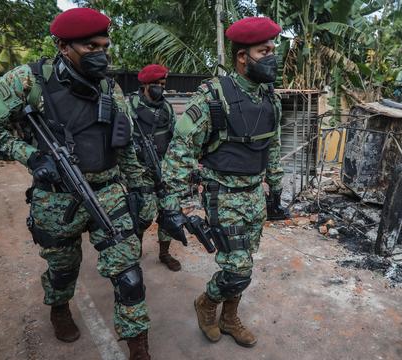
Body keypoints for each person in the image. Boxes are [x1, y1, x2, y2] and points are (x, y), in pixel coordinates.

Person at [0, 8, 151, 359]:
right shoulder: (28, 80)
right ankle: (59, 306)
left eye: (104, 45)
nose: (101, 53)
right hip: (55, 198)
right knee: (63, 269)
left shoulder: (110, 89)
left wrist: (140, 190)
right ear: (63, 47)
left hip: (107, 191)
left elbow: (124, 143)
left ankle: (139, 347)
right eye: (90, 46)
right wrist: (31, 156)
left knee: (129, 274)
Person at [157, 16, 289, 348]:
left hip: (254, 195)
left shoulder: (269, 98)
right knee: (237, 269)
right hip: (223, 196)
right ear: (242, 56)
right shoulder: (213, 96)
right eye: (264, 50)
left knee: (245, 259)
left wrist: (276, 186)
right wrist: (170, 205)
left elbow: (271, 144)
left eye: (274, 49)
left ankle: (230, 318)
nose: (273, 56)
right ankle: (207, 303)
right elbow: (179, 151)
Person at [127, 64, 182, 271]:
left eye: (163, 84)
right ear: (145, 85)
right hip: (139, 171)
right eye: (156, 84)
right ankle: (135, 248)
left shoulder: (166, 108)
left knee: (169, 210)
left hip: (164, 168)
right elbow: (120, 141)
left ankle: (164, 253)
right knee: (143, 213)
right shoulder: (130, 107)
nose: (160, 88)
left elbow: (175, 137)